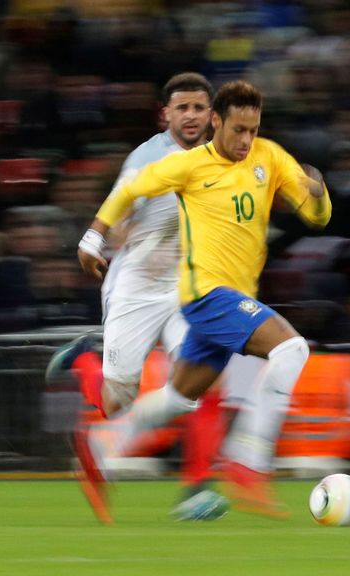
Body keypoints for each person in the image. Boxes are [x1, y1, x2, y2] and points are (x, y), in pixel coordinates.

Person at [76, 80, 331, 519]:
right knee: (291, 350)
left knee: (181, 398)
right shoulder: (188, 164)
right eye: (238, 130)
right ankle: (248, 462)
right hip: (203, 295)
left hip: (224, 295)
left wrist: (317, 192)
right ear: (218, 122)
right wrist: (93, 236)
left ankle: (102, 446)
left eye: (253, 130)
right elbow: (130, 190)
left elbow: (316, 217)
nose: (245, 140)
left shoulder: (269, 156)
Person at [47, 72, 229, 522]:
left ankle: (195, 491)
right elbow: (120, 208)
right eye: (181, 108)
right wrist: (103, 238)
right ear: (165, 114)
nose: (190, 116)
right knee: (116, 402)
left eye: (198, 108)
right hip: (139, 286)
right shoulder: (147, 159)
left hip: (188, 290)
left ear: (212, 115)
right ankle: (84, 359)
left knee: (205, 381)